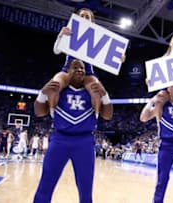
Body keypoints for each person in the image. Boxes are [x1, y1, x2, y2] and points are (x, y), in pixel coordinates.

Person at [33, 58, 113, 203]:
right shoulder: (58, 90)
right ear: (67, 72)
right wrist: (43, 94)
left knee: (85, 189)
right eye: (75, 68)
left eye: (82, 68)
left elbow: (107, 115)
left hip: (84, 141)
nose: (79, 70)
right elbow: (39, 112)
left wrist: (105, 96)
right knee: (46, 184)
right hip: (59, 139)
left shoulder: (92, 92)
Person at [50, 8, 125, 118]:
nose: (84, 18)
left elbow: (109, 59)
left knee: (97, 89)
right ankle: (53, 112)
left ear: (92, 21)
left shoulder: (98, 37)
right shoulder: (69, 32)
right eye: (82, 16)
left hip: (88, 72)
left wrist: (119, 59)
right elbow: (56, 51)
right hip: (68, 70)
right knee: (55, 83)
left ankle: (95, 116)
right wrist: (60, 35)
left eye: (87, 17)